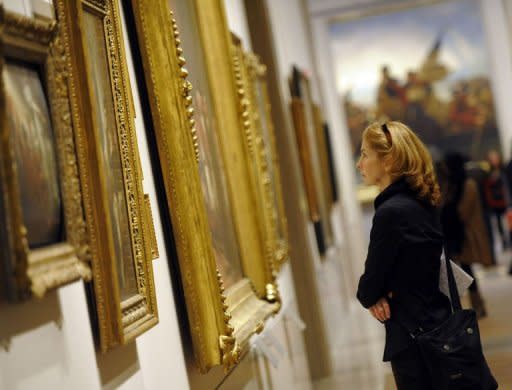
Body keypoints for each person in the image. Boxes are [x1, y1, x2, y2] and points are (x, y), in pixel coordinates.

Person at [356, 121, 452, 390]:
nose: (359, 164)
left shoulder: (390, 213)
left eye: (365, 154)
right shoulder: (421, 201)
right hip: (437, 322)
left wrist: (377, 294)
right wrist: (381, 292)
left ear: (388, 161)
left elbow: (368, 288)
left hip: (413, 337)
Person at [437, 153, 493, 318]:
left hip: (466, 234)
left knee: (468, 270)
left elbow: (464, 211)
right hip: (455, 234)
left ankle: (478, 304)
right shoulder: (451, 184)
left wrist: (448, 213)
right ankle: (462, 305)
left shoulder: (467, 184)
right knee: (457, 271)